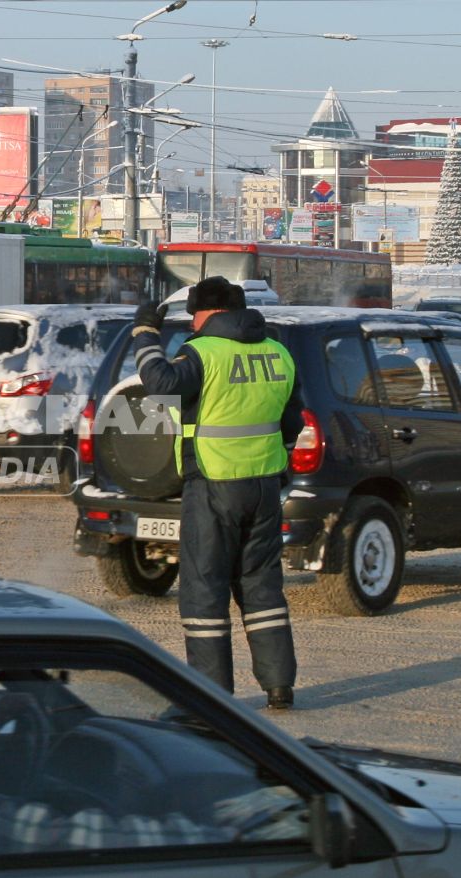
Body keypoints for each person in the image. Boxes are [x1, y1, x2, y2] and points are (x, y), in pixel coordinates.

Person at [131, 277, 304, 709]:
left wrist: (145, 335)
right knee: (262, 585)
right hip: (264, 484)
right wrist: (275, 461)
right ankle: (279, 687)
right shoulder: (278, 352)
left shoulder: (203, 352)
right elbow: (292, 422)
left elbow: (161, 384)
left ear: (208, 313)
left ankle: (212, 696)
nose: (192, 323)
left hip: (212, 483)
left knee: (204, 587)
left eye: (194, 315)